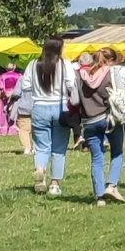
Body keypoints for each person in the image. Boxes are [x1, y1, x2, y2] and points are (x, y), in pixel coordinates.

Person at [18, 40, 77, 195]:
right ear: (60, 48)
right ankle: (55, 184)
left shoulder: (33, 64)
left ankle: (40, 170)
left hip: (39, 107)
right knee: (59, 148)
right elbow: (71, 84)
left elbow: (25, 86)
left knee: (42, 146)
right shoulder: (65, 64)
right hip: (61, 107)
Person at [75, 46, 125, 204]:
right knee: (117, 152)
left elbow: (74, 100)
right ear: (110, 60)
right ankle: (111, 186)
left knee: (97, 158)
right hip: (109, 118)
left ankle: (99, 197)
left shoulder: (81, 74)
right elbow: (122, 95)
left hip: (89, 121)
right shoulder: (113, 72)